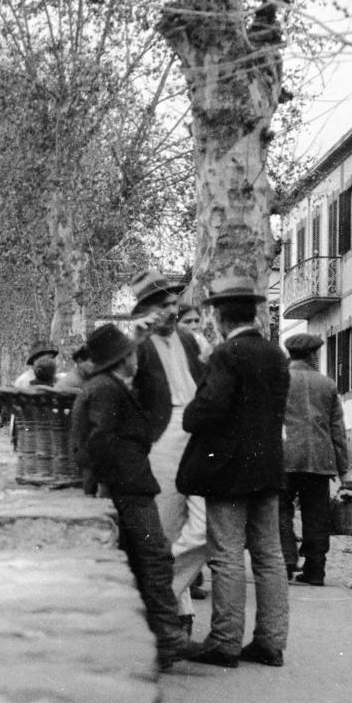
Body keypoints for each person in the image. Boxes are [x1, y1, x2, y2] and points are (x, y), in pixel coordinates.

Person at [71, 323, 202, 668]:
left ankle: (157, 638)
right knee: (155, 556)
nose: (136, 359)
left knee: (143, 560)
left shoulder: (106, 387)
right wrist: (109, 482)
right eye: (131, 354)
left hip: (130, 486)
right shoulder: (106, 391)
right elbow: (99, 442)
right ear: (121, 359)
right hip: (129, 488)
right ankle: (167, 636)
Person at [179, 275, 292, 668]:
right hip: (268, 467)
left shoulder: (226, 355)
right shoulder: (277, 354)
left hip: (227, 470)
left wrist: (190, 413)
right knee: (270, 556)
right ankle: (271, 642)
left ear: (222, 319)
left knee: (226, 556)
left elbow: (206, 411)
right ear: (253, 314)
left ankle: (225, 642)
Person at [126, 269, 211, 630]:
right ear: (146, 309)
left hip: (197, 434)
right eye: (165, 305)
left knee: (207, 528)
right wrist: (135, 337)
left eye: (175, 303)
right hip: (160, 440)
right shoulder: (137, 343)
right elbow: (121, 382)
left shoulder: (192, 342)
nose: (173, 311)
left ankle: (157, 596)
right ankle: (177, 613)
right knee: (165, 528)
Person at [280, 332, 352, 586]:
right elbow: (338, 432)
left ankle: (287, 558)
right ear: (311, 355)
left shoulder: (278, 379)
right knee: (316, 516)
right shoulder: (328, 384)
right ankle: (315, 570)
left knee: (280, 508)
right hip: (320, 461)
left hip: (285, 457)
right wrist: (345, 473)